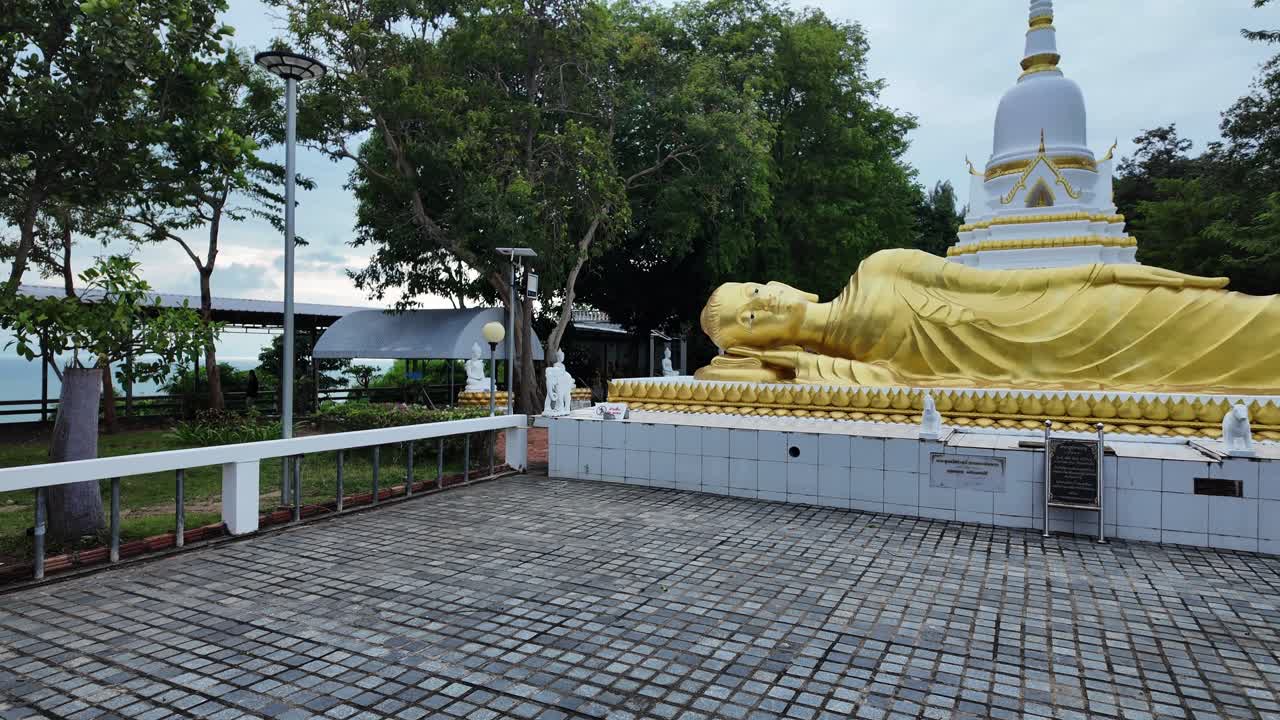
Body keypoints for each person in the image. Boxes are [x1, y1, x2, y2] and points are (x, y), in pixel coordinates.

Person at [696, 247, 1280, 394]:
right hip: (1051, 369)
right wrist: (775, 363)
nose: (760, 303)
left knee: (1242, 322)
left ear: (773, 282)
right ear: (755, 345)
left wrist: (1107, 275)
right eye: (748, 321)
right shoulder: (836, 372)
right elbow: (898, 386)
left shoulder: (880, 268)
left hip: (1074, 313)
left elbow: (997, 283)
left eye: (751, 291)